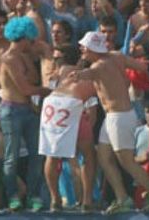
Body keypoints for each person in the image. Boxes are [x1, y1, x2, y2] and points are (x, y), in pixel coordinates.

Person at [69, 31, 149, 214]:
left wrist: (76, 75)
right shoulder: (117, 56)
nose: (81, 49)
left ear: (93, 48)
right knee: (104, 157)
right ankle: (123, 197)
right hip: (115, 117)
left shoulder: (99, 65)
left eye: (84, 47)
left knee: (127, 161)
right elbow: (141, 66)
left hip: (119, 117)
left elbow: (88, 73)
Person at [0, 16, 52, 211]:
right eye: (31, 39)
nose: (33, 43)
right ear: (24, 37)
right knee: (11, 156)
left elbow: (34, 78)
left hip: (27, 109)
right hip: (12, 110)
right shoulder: (8, 58)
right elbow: (26, 87)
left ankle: (33, 195)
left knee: (37, 154)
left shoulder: (22, 56)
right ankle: (12, 195)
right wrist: (44, 91)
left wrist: (30, 62)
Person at [39, 45, 98, 212]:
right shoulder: (84, 71)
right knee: (88, 154)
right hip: (72, 102)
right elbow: (92, 107)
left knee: (52, 154)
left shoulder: (55, 75)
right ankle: (87, 200)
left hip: (51, 104)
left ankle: (55, 199)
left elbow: (42, 96)